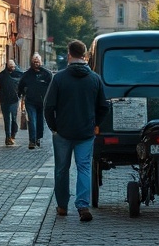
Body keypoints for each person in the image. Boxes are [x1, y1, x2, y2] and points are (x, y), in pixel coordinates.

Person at [43, 39, 109, 223]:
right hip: (86, 132)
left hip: (63, 132)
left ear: (69, 54)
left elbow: (48, 106)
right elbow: (104, 106)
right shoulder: (95, 78)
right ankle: (82, 205)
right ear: (85, 55)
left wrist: (54, 127)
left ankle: (62, 205)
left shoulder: (60, 78)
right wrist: (96, 124)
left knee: (62, 170)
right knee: (84, 168)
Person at [18, 53, 52, 149]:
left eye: (37, 61)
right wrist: (20, 96)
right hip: (30, 101)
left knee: (40, 121)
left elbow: (52, 87)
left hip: (42, 102)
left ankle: (38, 138)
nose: (36, 63)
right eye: (34, 61)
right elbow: (20, 86)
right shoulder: (27, 74)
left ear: (41, 62)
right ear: (31, 62)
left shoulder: (47, 74)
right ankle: (32, 140)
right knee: (32, 120)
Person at [0, 59, 22, 146]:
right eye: (10, 66)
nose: (12, 67)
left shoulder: (18, 74)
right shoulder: (2, 75)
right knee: (7, 119)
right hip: (4, 100)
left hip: (14, 100)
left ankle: (13, 134)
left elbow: (22, 85)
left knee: (13, 118)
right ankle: (7, 137)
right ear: (7, 66)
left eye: (13, 66)